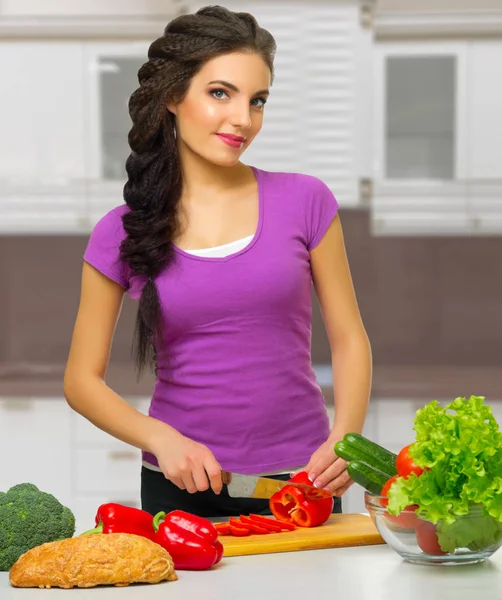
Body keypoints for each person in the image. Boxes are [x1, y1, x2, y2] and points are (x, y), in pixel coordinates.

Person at [64, 5, 372, 519]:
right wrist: (159, 438)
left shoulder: (306, 200)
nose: (243, 119)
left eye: (258, 100)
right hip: (181, 482)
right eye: (219, 93)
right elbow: (80, 380)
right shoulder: (122, 229)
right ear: (171, 95)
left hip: (305, 479)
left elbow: (349, 337)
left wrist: (346, 437)